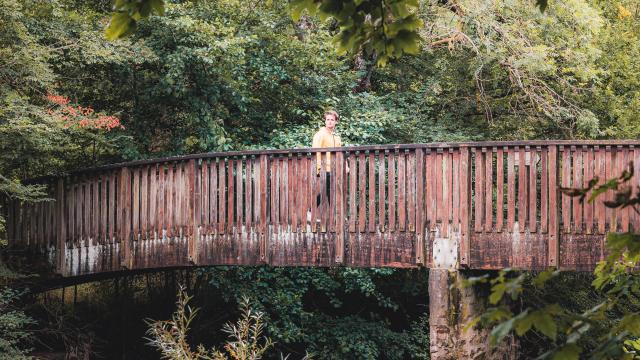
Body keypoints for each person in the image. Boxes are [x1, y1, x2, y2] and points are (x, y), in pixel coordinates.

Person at [312, 110, 342, 208]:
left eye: (332, 120)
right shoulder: (320, 134)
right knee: (327, 190)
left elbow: (340, 152)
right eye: (327, 119)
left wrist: (345, 166)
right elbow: (315, 151)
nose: (329, 121)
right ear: (325, 121)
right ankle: (311, 211)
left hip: (335, 168)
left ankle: (335, 215)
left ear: (336, 122)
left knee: (329, 190)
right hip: (324, 168)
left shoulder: (336, 136)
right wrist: (318, 168)